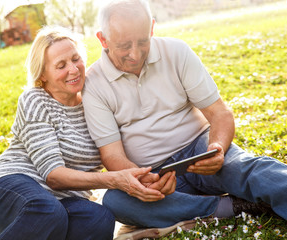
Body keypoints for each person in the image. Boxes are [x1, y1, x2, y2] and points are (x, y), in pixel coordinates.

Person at [82, 0, 287, 228]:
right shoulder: (93, 84)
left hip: (200, 151)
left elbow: (220, 113)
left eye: (142, 41)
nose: (135, 54)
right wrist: (141, 179)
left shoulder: (176, 52)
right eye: (124, 46)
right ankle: (232, 206)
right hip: (153, 174)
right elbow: (111, 155)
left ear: (151, 27)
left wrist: (217, 148)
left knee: (246, 168)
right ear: (103, 39)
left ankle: (208, 206)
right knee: (116, 201)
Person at [0, 25, 161, 240]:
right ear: (43, 75)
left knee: (100, 219)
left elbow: (119, 149)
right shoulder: (35, 100)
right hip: (11, 188)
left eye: (76, 59)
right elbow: (54, 176)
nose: (74, 69)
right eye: (61, 65)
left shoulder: (97, 104)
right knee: (47, 211)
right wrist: (114, 180)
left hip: (64, 203)